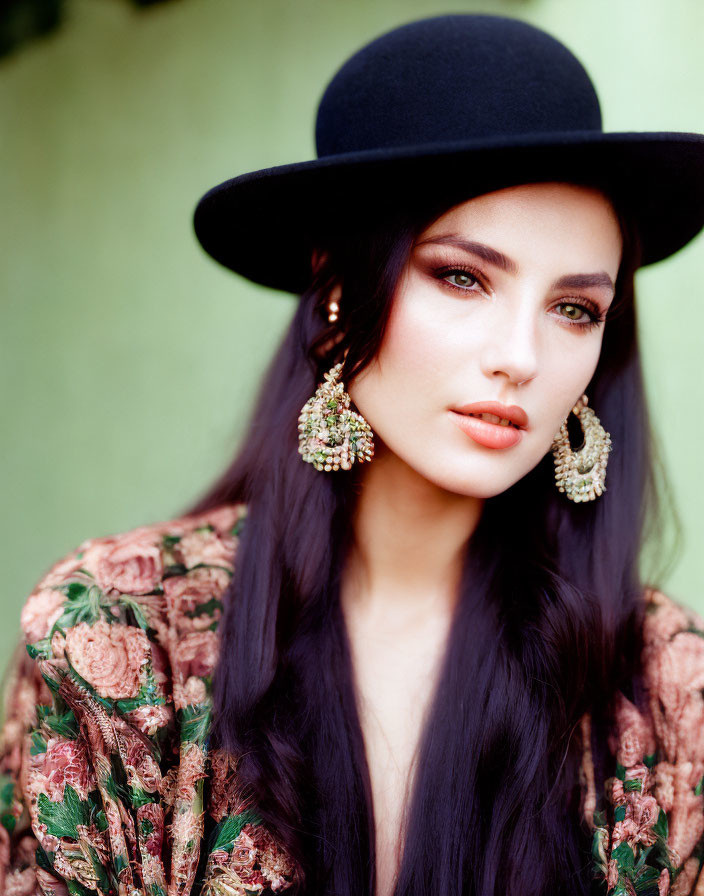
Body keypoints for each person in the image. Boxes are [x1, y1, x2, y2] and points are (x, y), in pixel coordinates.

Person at [2, 12, 704, 896]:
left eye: (575, 309)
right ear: (337, 287)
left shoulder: (666, 685)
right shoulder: (119, 637)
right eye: (462, 276)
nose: (522, 357)